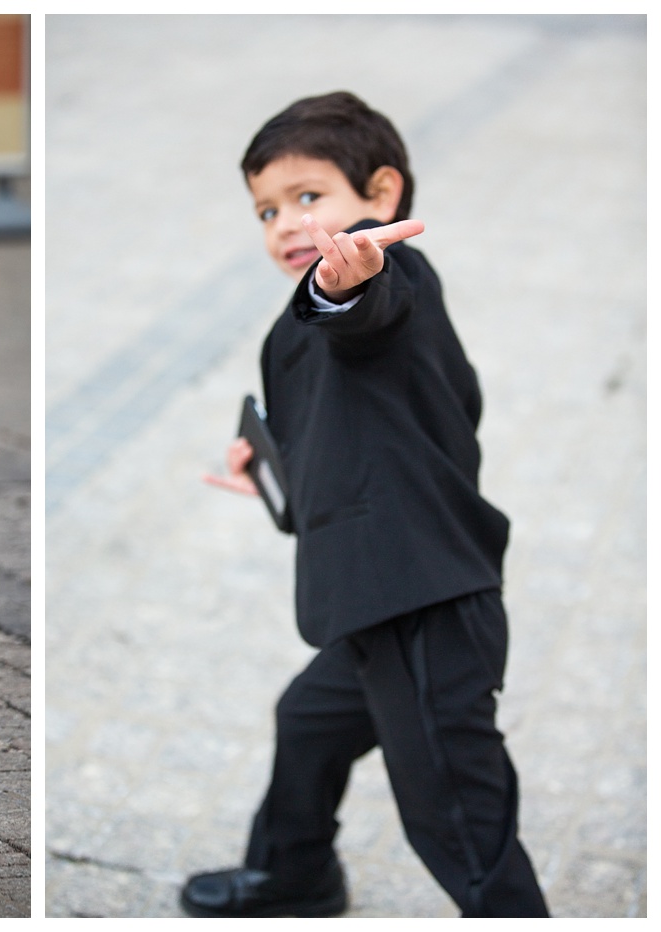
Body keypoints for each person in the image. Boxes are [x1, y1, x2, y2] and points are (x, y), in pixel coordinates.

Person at [187, 92, 549, 917]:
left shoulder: (388, 287)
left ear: (381, 197)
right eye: (267, 209)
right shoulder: (295, 325)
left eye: (308, 198)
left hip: (425, 602)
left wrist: (352, 286)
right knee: (307, 721)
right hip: (371, 594)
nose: (284, 224)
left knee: (456, 815)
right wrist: (274, 475)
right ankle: (295, 874)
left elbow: (369, 316)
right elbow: (350, 439)